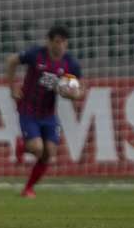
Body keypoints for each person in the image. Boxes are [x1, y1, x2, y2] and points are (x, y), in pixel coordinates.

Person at [6, 26, 83, 198]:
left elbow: (80, 91)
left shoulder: (70, 63)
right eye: (57, 41)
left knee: (50, 152)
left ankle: (28, 188)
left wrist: (72, 94)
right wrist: (12, 87)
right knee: (38, 149)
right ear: (49, 42)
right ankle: (23, 145)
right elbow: (12, 60)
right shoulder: (36, 54)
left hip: (48, 114)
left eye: (64, 42)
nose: (60, 45)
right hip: (28, 109)